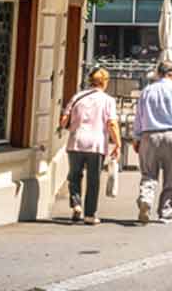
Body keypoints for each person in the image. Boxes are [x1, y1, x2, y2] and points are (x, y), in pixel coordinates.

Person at [133, 59, 172, 225]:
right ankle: (165, 213)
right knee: (170, 174)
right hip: (171, 136)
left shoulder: (146, 91)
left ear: (158, 73)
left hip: (149, 135)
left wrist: (136, 137)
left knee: (148, 173)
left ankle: (146, 199)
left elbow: (138, 116)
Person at [59, 68, 120, 225]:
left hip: (76, 141)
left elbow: (64, 120)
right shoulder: (108, 100)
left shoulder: (77, 96)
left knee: (74, 176)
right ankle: (90, 215)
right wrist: (118, 143)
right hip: (96, 144)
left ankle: (76, 204)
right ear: (104, 82)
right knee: (93, 180)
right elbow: (112, 123)